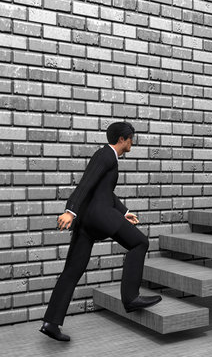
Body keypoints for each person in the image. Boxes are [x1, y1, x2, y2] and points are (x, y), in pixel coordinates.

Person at [40, 122, 162, 341]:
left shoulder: (109, 157)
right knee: (140, 243)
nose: (132, 142)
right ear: (123, 139)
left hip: (88, 222)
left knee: (72, 271)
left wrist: (124, 213)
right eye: (131, 138)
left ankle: (51, 322)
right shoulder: (104, 155)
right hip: (99, 216)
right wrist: (69, 210)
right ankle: (131, 297)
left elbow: (103, 191)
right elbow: (85, 185)